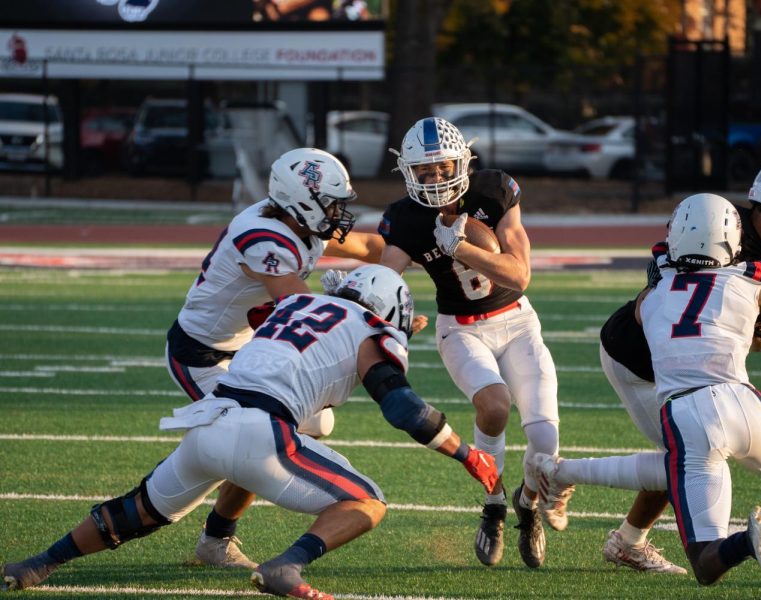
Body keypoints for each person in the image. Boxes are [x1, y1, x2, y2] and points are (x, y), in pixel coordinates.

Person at [1, 265, 499, 599]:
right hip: (260, 433)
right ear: (387, 309)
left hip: (209, 420)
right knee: (366, 501)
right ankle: (288, 565)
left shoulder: (292, 307)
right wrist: (466, 455)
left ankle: (39, 563)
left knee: (138, 510)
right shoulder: (372, 327)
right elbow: (402, 407)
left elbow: (311, 333)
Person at [535, 194, 761, 599]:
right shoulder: (748, 284)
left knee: (706, 564)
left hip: (689, 415)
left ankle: (745, 542)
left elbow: (654, 301)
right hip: (742, 402)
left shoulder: (648, 301)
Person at [580, 154, 761, 575]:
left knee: (688, 449)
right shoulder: (713, 220)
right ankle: (555, 480)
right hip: (641, 356)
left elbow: (759, 343)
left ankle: (623, 537)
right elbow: (662, 278)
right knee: (685, 453)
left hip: (696, 369)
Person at [165, 147, 384, 569]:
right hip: (201, 354)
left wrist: (434, 254)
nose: (338, 212)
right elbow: (294, 303)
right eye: (331, 203)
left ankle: (213, 537)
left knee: (311, 423)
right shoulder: (264, 236)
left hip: (250, 350)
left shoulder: (302, 220)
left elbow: (371, 247)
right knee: (249, 439)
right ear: (302, 200)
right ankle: (173, 517)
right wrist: (357, 306)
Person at [377, 117, 563, 569]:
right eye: (425, 170)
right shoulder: (404, 217)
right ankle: (495, 504)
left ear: (463, 162)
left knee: (544, 437)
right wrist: (376, 310)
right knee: (495, 405)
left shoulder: (494, 191)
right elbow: (383, 281)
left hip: (516, 320)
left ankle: (529, 504)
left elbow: (519, 276)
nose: (436, 178)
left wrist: (459, 247)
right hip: (459, 328)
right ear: (409, 173)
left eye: (443, 167)